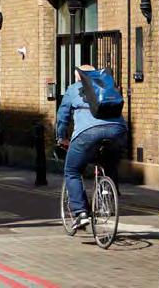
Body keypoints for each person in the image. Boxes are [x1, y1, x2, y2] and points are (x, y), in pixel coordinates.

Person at [56, 67, 128, 233]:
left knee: (72, 171)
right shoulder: (108, 87)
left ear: (79, 77)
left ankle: (81, 213)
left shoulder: (73, 89)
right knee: (109, 162)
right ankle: (108, 193)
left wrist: (61, 137)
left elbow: (63, 117)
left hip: (87, 134)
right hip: (118, 131)